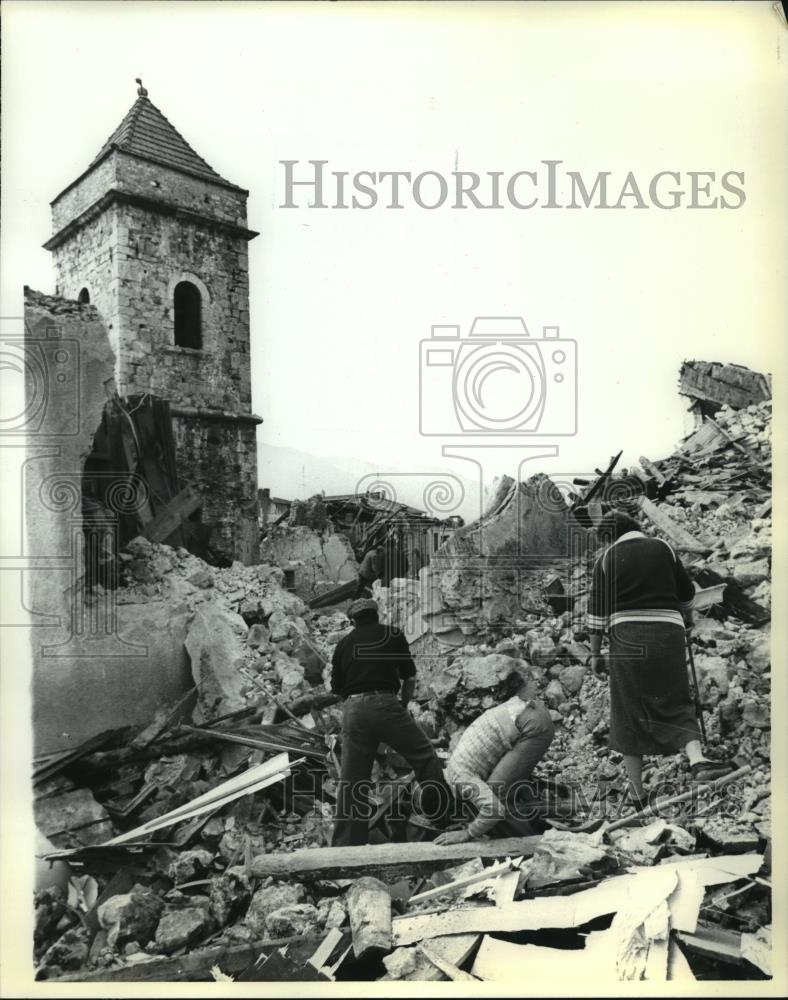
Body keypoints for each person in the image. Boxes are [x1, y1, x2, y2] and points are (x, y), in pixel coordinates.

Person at [587, 510, 734, 807]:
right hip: (667, 633)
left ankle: (638, 793)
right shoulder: (663, 547)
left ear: (609, 538)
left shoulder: (604, 560)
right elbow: (687, 596)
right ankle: (697, 761)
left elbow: (596, 616)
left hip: (626, 637)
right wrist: (683, 615)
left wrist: (595, 655)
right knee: (676, 697)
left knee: (627, 710)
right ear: (636, 528)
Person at [330, 598, 450, 846]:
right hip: (385, 704)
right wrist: (402, 706)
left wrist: (355, 708)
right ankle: (441, 818)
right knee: (425, 756)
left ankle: (345, 848)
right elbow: (409, 676)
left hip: (353, 710)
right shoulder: (392, 634)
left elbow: (337, 690)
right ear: (377, 615)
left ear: (353, 621)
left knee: (352, 781)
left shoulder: (343, 644)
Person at [433, 674, 554, 845]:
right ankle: (525, 812)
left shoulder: (460, 779)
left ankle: (528, 847)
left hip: (533, 725)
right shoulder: (452, 766)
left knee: (497, 792)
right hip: (529, 710)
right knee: (498, 786)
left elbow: (494, 809)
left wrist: (468, 833)